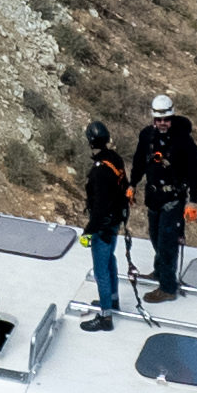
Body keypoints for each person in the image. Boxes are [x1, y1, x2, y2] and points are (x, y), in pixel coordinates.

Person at [129, 95, 197, 301]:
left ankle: (168, 288)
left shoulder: (184, 142)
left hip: (173, 198)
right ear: (154, 119)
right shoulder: (147, 136)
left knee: (167, 242)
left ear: (172, 118)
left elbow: (196, 173)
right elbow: (139, 162)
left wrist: (193, 200)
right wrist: (132, 184)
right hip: (154, 197)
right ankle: (161, 271)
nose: (162, 123)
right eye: (159, 120)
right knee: (155, 237)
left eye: (166, 120)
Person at [73, 123, 133, 329]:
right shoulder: (114, 159)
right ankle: (113, 300)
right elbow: (123, 189)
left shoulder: (100, 171)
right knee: (110, 261)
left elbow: (99, 207)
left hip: (103, 225)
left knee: (101, 269)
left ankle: (106, 317)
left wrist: (88, 232)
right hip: (115, 221)